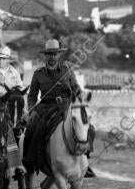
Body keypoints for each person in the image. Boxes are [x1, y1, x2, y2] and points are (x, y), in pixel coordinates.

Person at [26, 39, 96, 178]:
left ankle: (85, 161)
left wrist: (81, 95)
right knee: (35, 129)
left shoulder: (67, 70)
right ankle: (34, 161)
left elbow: (76, 88)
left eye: (55, 54)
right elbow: (32, 96)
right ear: (45, 56)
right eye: (49, 54)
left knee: (90, 128)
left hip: (66, 106)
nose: (52, 57)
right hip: (46, 107)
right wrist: (32, 110)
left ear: (59, 55)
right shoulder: (38, 73)